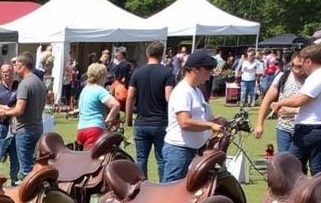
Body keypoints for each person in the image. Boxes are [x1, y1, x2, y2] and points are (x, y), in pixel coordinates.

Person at [161, 49, 226, 183]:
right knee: (170, 192)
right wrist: (210, 125)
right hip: (179, 150)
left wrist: (219, 121)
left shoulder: (196, 91)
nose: (209, 76)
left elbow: (206, 118)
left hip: (194, 149)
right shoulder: (182, 92)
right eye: (207, 71)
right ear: (195, 70)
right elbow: (184, 122)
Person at [126, 41, 175, 180]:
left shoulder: (137, 73)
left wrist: (129, 120)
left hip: (141, 122)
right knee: (161, 159)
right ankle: (164, 188)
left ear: (147, 53)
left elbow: (130, 97)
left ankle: (142, 188)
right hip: (161, 122)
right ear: (162, 54)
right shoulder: (167, 73)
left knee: (141, 159)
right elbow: (169, 97)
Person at [0, 53, 45, 178]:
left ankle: (30, 196)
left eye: (16, 64)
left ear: (23, 66)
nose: (14, 67)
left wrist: (5, 112)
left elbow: (19, 110)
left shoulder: (24, 84)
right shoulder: (39, 82)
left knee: (26, 170)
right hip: (38, 128)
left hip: (25, 130)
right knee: (35, 166)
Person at [276, 44, 321, 173]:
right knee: (317, 170)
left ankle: (294, 193)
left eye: (302, 64)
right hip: (315, 127)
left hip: (310, 128)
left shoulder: (316, 77)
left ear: (308, 61)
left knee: (290, 168)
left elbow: (301, 99)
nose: (301, 68)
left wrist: (280, 103)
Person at [254, 50, 306, 156]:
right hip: (283, 129)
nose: (295, 70)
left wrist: (291, 111)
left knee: (299, 164)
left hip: (304, 129)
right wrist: (260, 124)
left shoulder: (313, 80)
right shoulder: (283, 76)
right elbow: (267, 100)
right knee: (285, 163)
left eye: (299, 66)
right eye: (293, 65)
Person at [76, 63, 120, 149]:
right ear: (101, 76)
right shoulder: (99, 90)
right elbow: (115, 105)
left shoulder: (84, 90)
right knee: (96, 160)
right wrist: (108, 120)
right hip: (94, 129)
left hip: (81, 129)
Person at [0, 63, 19, 184]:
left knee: (15, 155)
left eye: (9, 73)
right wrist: (5, 107)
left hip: (15, 125)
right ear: (1, 73)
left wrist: (9, 111)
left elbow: (21, 103)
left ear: (13, 73)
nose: (7, 75)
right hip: (0, 125)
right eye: (5, 73)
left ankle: (14, 181)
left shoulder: (19, 86)